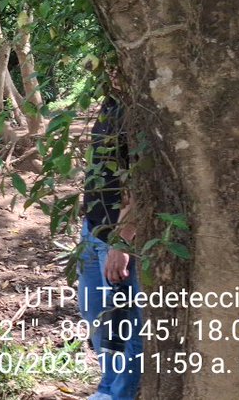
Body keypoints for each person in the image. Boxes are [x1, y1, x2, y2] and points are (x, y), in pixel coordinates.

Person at [78, 90, 142, 400]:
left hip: (120, 239)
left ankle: (120, 394)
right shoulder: (112, 101)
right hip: (92, 228)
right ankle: (106, 387)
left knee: (127, 324)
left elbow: (144, 180)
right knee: (96, 315)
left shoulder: (142, 106)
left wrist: (122, 239)